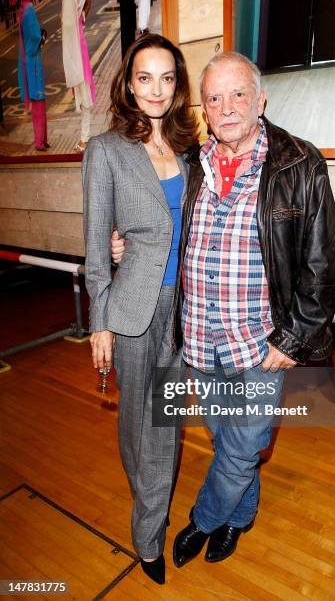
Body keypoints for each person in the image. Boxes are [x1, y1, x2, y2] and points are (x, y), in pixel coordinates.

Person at [112, 51, 335, 568]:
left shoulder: (299, 164)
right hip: (199, 338)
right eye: (214, 98)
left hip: (260, 344)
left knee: (242, 447)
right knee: (228, 444)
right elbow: (164, 227)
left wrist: (293, 339)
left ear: (260, 99)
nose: (227, 106)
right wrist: (123, 246)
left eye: (238, 93)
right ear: (203, 109)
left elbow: (324, 266)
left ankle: (204, 519)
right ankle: (240, 518)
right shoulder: (192, 163)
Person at [82, 33, 198, 585]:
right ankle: (148, 533)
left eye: (167, 78)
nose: (156, 89)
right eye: (145, 77)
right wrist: (98, 321)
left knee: (164, 424)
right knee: (144, 426)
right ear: (129, 84)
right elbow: (93, 241)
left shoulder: (190, 151)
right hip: (134, 309)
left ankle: (150, 514)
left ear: (178, 86)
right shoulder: (105, 150)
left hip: (188, 308)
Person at [61, 0, 95, 152]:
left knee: (84, 96)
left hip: (77, 54)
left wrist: (77, 16)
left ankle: (85, 138)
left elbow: (68, 25)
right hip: (79, 51)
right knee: (83, 95)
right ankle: (84, 136)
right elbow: (88, 0)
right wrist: (81, 15)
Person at [17, 0, 49, 151]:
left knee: (40, 102)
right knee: (38, 103)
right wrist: (42, 37)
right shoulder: (28, 11)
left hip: (32, 61)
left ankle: (43, 139)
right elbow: (34, 37)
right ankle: (39, 141)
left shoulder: (23, 9)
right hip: (34, 63)